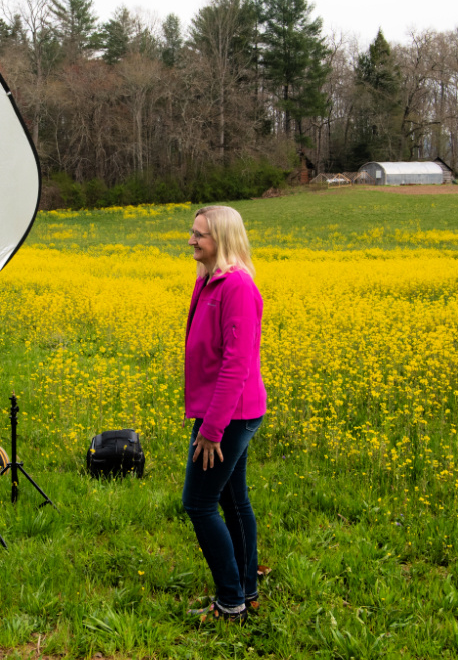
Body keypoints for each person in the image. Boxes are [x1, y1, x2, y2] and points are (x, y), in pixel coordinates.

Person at [181, 205, 267, 624]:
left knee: (198, 504)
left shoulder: (236, 287)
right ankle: (246, 591)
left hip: (230, 416)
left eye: (200, 235)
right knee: (235, 502)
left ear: (224, 239)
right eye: (192, 233)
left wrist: (211, 429)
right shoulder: (209, 282)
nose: (192, 240)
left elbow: (237, 364)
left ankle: (230, 602)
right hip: (224, 411)